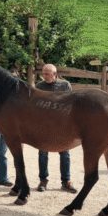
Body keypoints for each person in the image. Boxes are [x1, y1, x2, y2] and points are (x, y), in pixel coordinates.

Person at [36, 63, 77, 194]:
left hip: (62, 125)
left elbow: (71, 104)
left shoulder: (65, 85)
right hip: (45, 125)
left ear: (55, 74)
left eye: (47, 74)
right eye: (43, 74)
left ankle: (66, 181)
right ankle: (43, 180)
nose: (45, 76)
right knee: (43, 154)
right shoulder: (39, 86)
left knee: (65, 154)